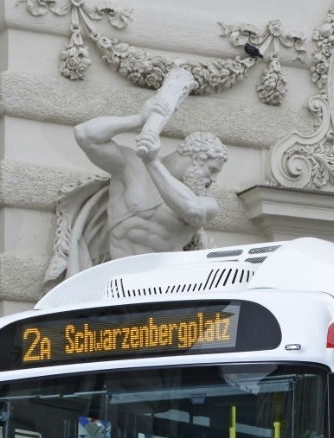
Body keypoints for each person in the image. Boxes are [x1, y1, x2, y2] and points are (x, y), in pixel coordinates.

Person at [45, 68, 229, 282]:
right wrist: (137, 119)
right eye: (212, 170)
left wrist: (152, 162)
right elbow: (85, 135)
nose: (213, 179)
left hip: (166, 287)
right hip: (118, 283)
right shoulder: (130, 166)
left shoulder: (205, 202)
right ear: (194, 158)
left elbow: (191, 211)